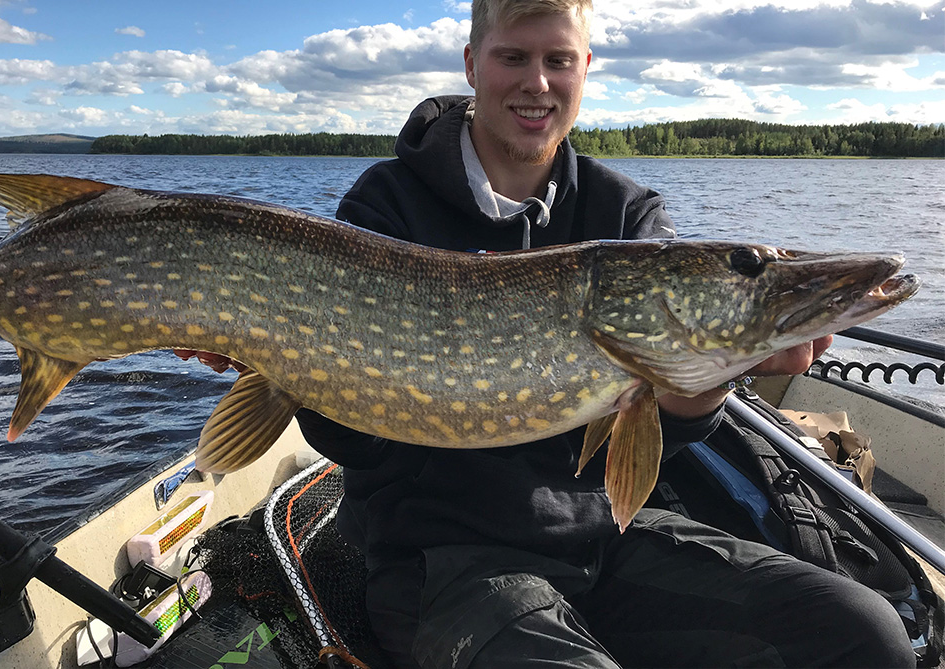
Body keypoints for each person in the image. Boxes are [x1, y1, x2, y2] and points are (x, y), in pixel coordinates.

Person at [184, 0, 915, 665]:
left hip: (604, 543)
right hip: (443, 564)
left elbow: (669, 424)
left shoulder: (624, 212)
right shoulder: (387, 202)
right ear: (474, 64)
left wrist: (709, 379)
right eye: (514, 57)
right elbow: (356, 440)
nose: (538, 81)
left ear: (585, 69)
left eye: (559, 60)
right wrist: (280, 354)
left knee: (863, 629)